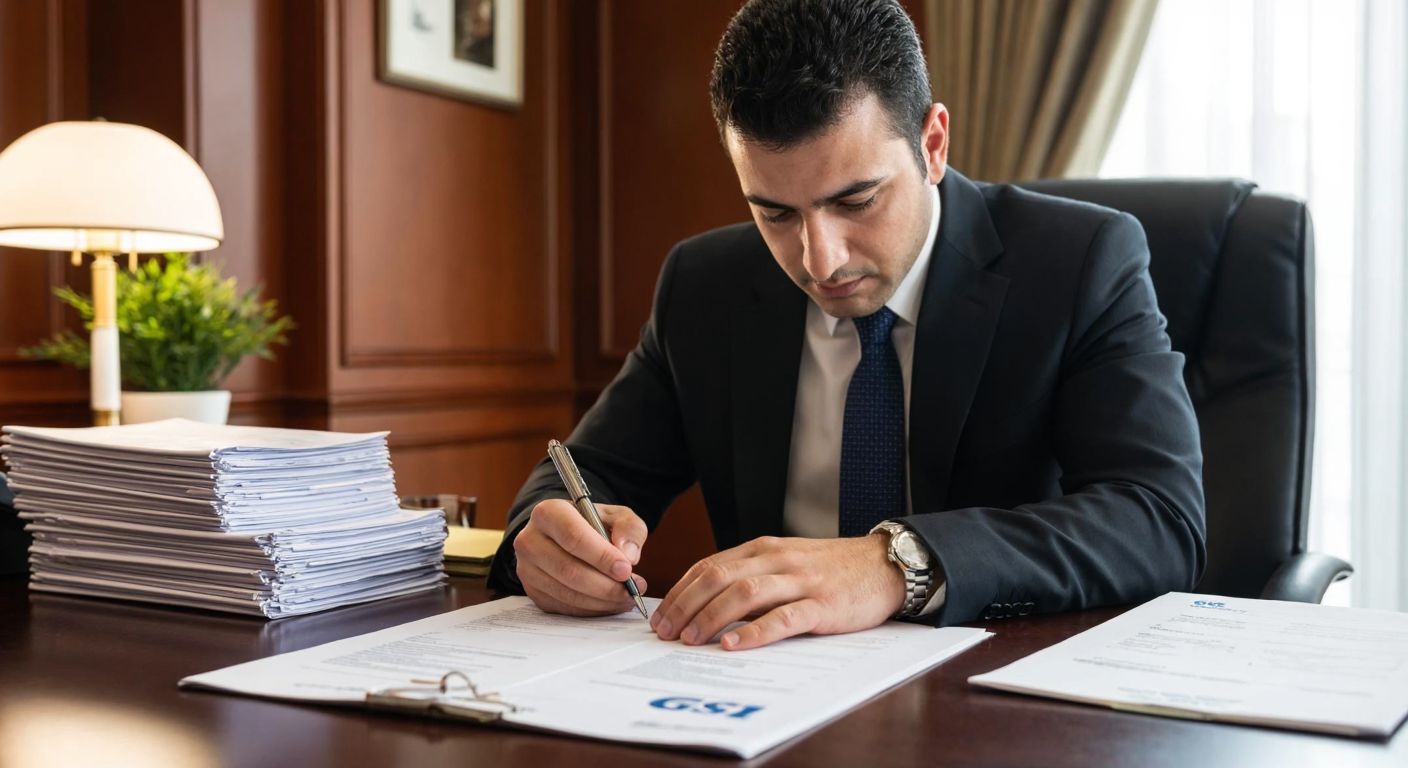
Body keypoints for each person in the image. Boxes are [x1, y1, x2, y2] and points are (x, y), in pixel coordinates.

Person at [487, 0, 1205, 651]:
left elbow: (1157, 519)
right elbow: (585, 475)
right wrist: (544, 536)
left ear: (933, 144)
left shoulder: (1080, 262)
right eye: (774, 212)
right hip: (759, 700)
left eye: (856, 200)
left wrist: (896, 562)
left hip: (994, 697)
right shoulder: (705, 287)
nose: (819, 259)